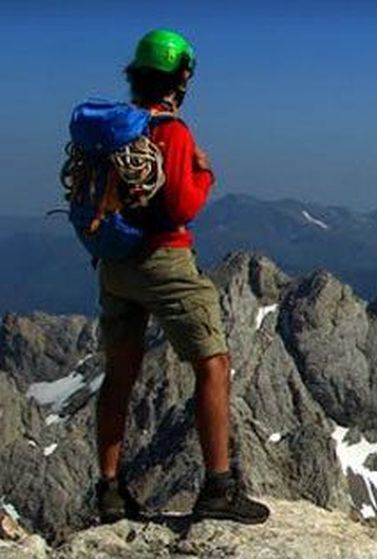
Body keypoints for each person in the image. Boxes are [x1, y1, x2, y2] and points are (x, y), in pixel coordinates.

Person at [94, 28, 268, 524]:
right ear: (181, 77)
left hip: (115, 263)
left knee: (120, 373)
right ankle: (218, 487)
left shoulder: (119, 129)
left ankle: (109, 489)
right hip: (163, 260)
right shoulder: (171, 131)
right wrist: (205, 174)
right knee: (213, 364)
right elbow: (179, 206)